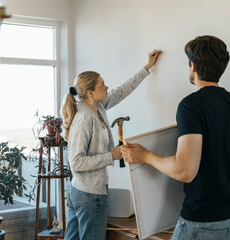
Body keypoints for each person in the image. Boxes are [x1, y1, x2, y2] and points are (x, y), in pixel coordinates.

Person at [121, 36, 230, 240]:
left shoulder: (191, 106)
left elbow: (184, 171)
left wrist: (145, 156)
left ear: (192, 66)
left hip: (203, 223)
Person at [61, 49, 162, 240]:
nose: (107, 87)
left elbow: (123, 90)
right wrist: (112, 156)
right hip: (88, 195)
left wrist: (147, 67)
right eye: (102, 85)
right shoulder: (83, 119)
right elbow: (76, 163)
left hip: (85, 192)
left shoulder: (98, 107)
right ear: (90, 92)